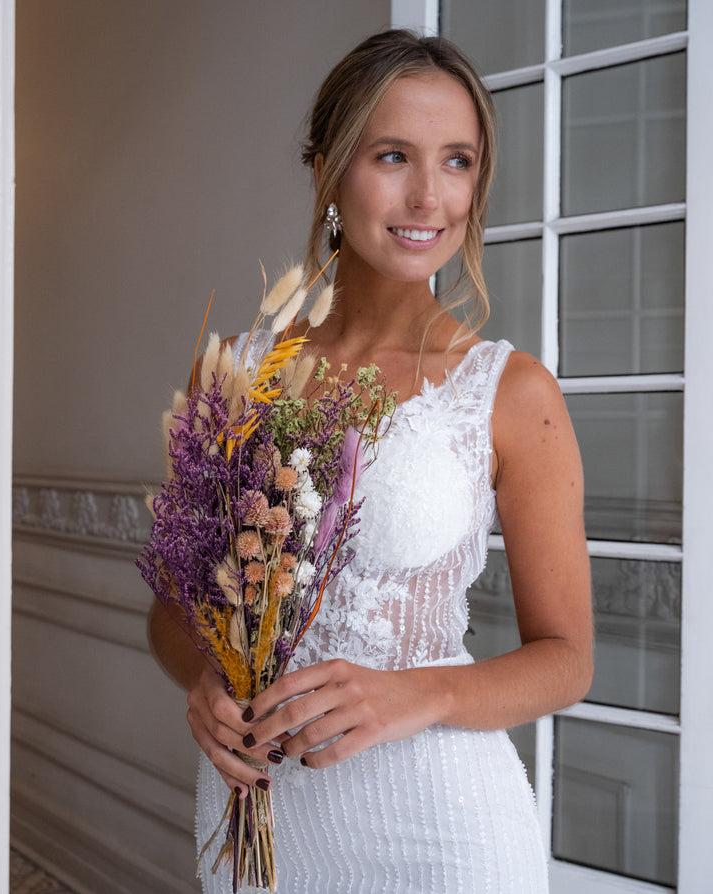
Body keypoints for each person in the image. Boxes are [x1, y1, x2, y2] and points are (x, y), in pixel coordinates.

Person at [148, 29, 593, 894]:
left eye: (457, 161)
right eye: (394, 156)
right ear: (328, 169)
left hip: (442, 829)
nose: (430, 195)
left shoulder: (509, 391)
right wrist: (203, 676)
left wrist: (411, 696)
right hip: (259, 816)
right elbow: (172, 610)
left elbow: (567, 657)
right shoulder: (236, 374)